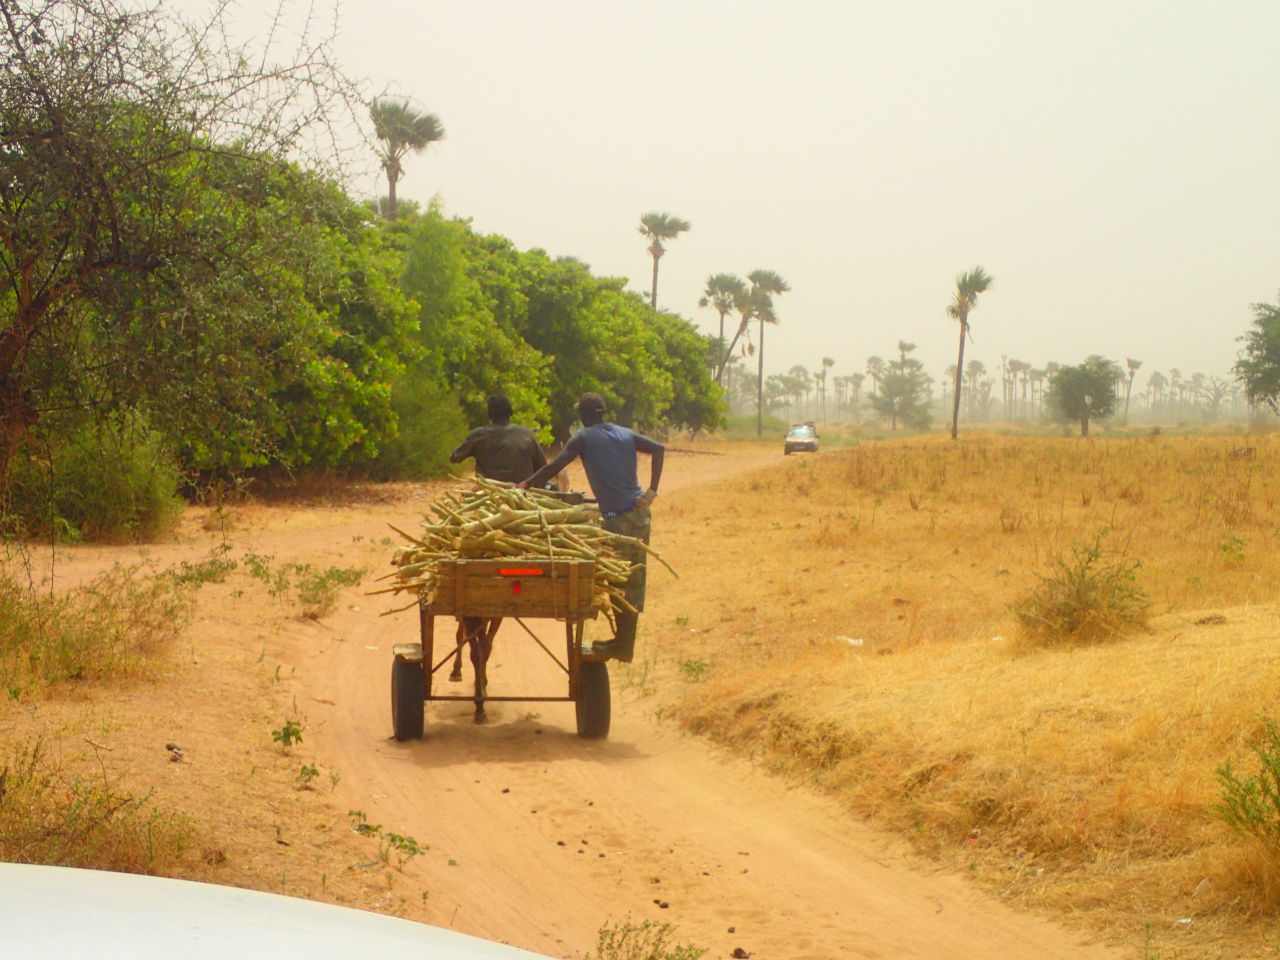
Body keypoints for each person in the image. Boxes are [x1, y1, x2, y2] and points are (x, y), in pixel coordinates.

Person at [518, 392, 664, 662]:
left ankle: (622, 646)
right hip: (640, 515)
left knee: (620, 581)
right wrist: (652, 490)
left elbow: (556, 466)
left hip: (618, 518)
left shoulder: (583, 438)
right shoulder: (625, 433)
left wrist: (525, 485)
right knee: (632, 580)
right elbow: (659, 448)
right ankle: (623, 644)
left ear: (583, 416)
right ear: (603, 412)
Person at [449, 394, 547, 483]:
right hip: (522, 492)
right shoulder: (527, 434)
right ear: (510, 412)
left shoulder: (479, 435)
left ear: (489, 414)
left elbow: (455, 457)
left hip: (489, 491)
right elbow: (542, 466)